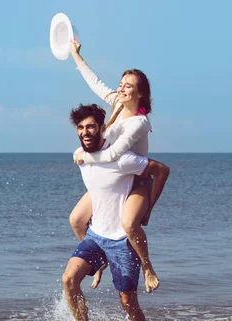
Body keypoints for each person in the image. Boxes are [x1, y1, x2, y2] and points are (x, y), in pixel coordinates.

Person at [62, 104, 170, 321]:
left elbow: (161, 171)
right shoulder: (80, 156)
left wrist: (149, 207)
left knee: (128, 302)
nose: (85, 132)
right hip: (96, 236)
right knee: (69, 280)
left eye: (90, 126)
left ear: (102, 128)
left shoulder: (122, 159)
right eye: (80, 127)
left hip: (122, 241)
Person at [69, 39, 167, 293]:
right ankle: (99, 259)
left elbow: (113, 154)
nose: (121, 89)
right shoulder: (116, 104)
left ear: (140, 93)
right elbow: (95, 82)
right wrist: (76, 55)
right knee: (78, 220)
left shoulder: (139, 122)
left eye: (128, 86)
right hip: (112, 177)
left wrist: (84, 155)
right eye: (121, 84)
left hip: (136, 179)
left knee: (129, 225)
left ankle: (148, 268)